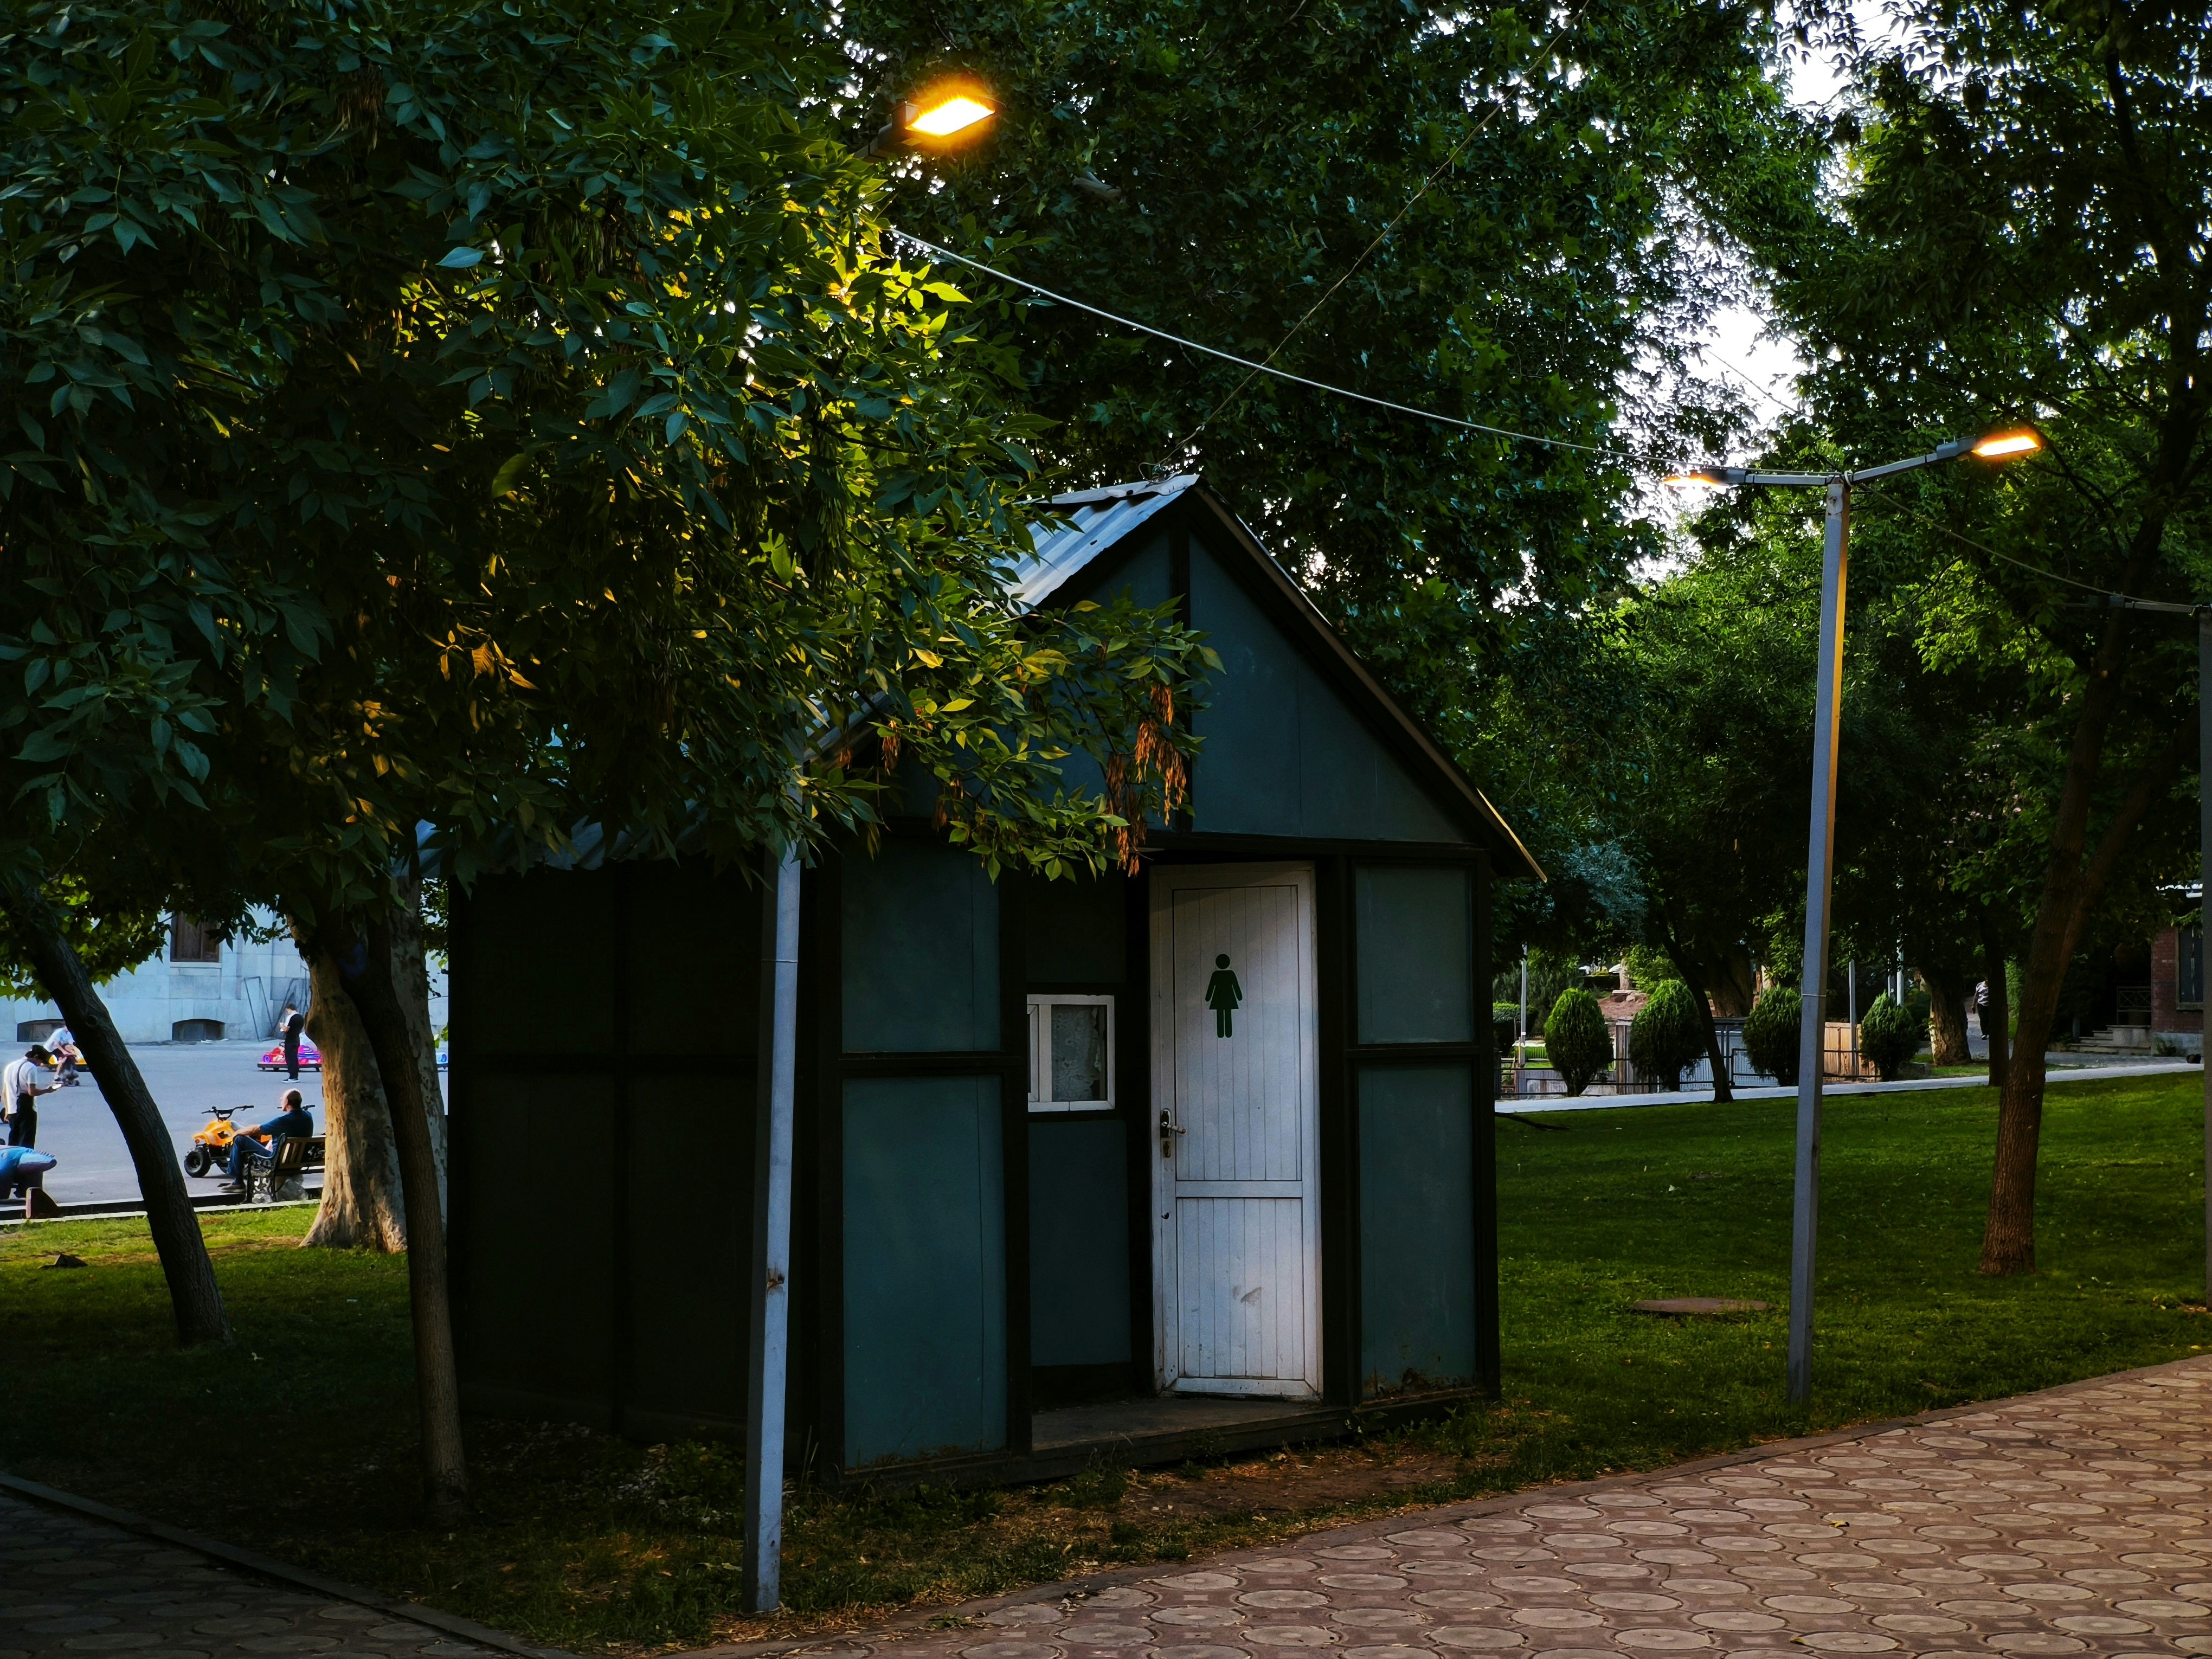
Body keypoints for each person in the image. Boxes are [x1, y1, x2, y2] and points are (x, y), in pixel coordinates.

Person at [220, 1088, 313, 1191]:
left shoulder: (282, 1121)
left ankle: (238, 1182)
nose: (281, 1101)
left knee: (240, 1140)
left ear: (287, 1102)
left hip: (276, 1161)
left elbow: (257, 1129)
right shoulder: (308, 1117)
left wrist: (237, 1132)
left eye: (282, 1099)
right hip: (298, 1162)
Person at [3, 1044, 60, 1150]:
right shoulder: (31, 1068)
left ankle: (12, 1165)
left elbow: (5, 1091)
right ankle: (25, 1164)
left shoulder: (11, 1066)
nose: (39, 1064)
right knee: (26, 1142)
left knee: (13, 1143)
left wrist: (7, 1109)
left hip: (12, 1108)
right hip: (26, 1107)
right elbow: (32, 1092)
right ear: (36, 1057)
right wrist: (48, 1090)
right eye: (40, 1061)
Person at [280, 1003, 305, 1081]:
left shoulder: (292, 1017)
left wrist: (282, 1026)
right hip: (297, 1040)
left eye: (287, 1010)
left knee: (290, 1058)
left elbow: (287, 1029)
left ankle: (292, 1076)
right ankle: (295, 1075)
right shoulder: (301, 1017)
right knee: (294, 1058)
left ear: (289, 1009)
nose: (287, 1012)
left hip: (290, 1040)